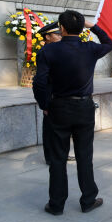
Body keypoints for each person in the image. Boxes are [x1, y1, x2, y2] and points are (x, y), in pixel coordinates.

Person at [33, 10, 112, 215]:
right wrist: (93, 26)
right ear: (81, 28)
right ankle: (88, 200)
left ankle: (56, 204)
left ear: (61, 28)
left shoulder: (48, 51)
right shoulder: (90, 48)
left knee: (58, 158)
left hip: (58, 107)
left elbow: (39, 82)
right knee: (84, 156)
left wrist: (45, 105)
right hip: (84, 108)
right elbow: (109, 43)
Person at [37, 22, 62, 166]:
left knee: (60, 129)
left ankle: (59, 154)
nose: (60, 36)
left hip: (60, 95)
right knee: (49, 128)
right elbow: (41, 81)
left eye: (61, 34)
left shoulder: (58, 51)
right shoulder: (44, 52)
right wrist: (44, 104)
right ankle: (50, 157)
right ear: (47, 37)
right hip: (50, 95)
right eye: (57, 34)